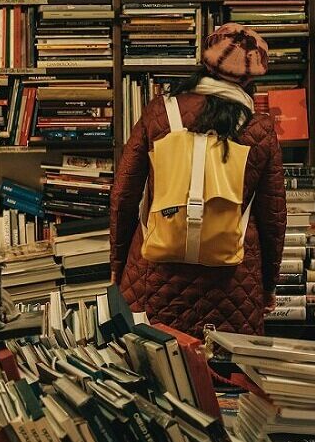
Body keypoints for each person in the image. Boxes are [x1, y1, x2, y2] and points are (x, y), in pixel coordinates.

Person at [110, 24, 287, 337]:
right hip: (234, 280)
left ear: (205, 63)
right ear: (250, 78)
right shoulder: (260, 129)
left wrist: (118, 264)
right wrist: (268, 284)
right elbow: (273, 218)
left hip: (153, 274)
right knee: (229, 375)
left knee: (151, 371)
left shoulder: (159, 114)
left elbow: (124, 194)